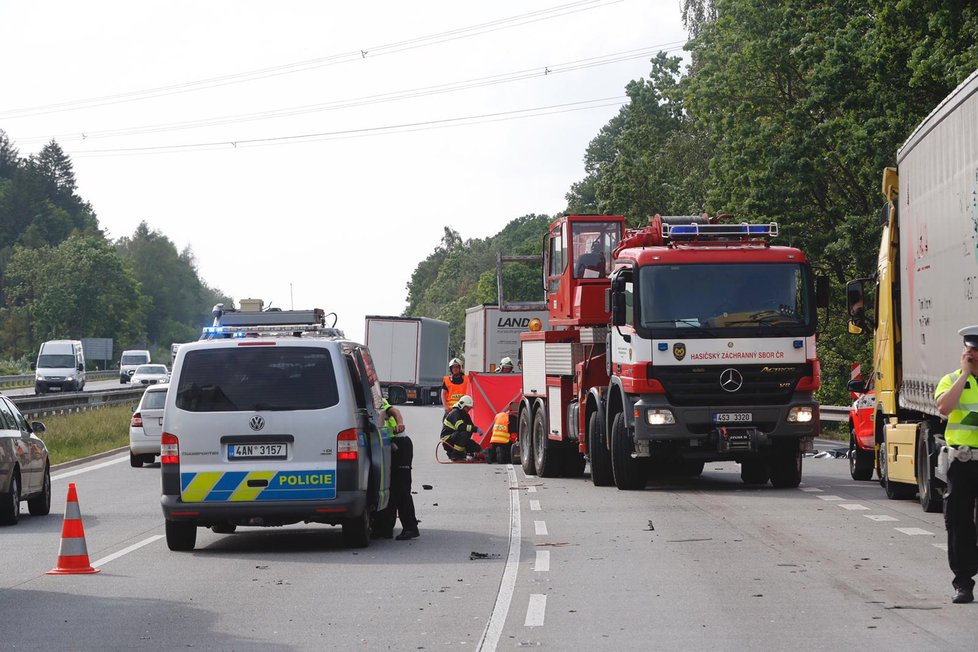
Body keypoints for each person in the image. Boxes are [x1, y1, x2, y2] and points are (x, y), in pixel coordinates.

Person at [935, 325, 978, 604]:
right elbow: (944, 408)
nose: (971, 354)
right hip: (962, 462)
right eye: (968, 350)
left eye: (975, 351)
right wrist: (963, 375)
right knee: (959, 523)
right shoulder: (952, 379)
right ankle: (963, 583)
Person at [372, 398, 420, 541]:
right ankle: (385, 529)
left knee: (401, 490)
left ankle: (411, 528)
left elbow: (395, 412)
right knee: (389, 489)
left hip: (399, 445)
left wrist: (399, 423)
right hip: (386, 446)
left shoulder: (377, 400)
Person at [440, 395, 483, 461]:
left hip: (457, 438)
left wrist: (473, 429)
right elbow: (460, 427)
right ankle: (456, 455)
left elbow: (470, 426)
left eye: (470, 408)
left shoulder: (465, 414)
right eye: (468, 408)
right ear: (462, 405)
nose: (469, 410)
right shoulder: (455, 413)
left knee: (476, 447)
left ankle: (471, 454)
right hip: (447, 440)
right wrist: (475, 429)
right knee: (464, 433)